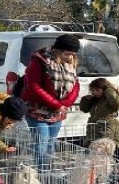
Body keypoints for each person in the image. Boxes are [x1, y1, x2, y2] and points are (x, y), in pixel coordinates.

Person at [21, 34, 80, 171]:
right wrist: (58, 104)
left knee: (51, 143)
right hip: (37, 110)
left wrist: (65, 103)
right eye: (67, 53)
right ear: (58, 51)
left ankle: (49, 170)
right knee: (41, 142)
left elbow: (75, 86)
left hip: (57, 112)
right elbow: (34, 87)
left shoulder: (70, 63)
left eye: (73, 54)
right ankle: (42, 172)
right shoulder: (39, 61)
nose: (70, 57)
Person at [79, 78, 119, 169]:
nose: (95, 92)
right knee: (90, 144)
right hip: (94, 125)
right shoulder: (95, 100)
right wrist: (86, 99)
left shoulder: (110, 99)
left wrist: (109, 91)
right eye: (92, 90)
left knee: (109, 145)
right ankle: (88, 162)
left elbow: (117, 103)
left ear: (105, 90)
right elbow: (84, 109)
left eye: (98, 90)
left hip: (108, 125)